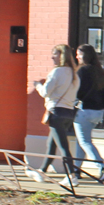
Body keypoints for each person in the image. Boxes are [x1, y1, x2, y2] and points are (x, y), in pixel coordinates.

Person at [26, 44, 80, 186]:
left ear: (60, 56)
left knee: (63, 146)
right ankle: (42, 171)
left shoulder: (56, 72)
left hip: (56, 112)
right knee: (52, 143)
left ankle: (71, 176)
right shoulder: (74, 74)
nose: (52, 57)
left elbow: (45, 92)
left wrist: (38, 84)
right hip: (68, 113)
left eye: (54, 54)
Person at [74, 44, 104, 182]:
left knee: (84, 141)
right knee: (82, 141)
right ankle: (76, 170)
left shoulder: (82, 71)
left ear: (83, 56)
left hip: (84, 111)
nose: (76, 57)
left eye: (78, 54)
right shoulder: (99, 71)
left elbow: (78, 92)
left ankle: (102, 166)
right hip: (98, 112)